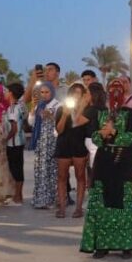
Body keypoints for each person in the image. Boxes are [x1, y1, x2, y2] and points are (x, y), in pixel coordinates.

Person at [80, 79, 132, 259]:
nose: (115, 91)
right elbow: (94, 137)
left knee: (123, 203)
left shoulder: (130, 114)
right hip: (103, 162)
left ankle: (125, 246)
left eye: (118, 88)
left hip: (122, 161)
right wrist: (101, 134)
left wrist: (113, 133)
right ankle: (102, 245)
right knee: (101, 203)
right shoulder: (100, 113)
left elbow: (131, 138)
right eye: (112, 88)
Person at [54, 83, 90, 218]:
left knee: (80, 177)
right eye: (74, 92)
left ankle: (79, 208)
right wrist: (64, 115)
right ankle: (62, 208)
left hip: (79, 146)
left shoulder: (86, 111)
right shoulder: (61, 109)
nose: (76, 95)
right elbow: (59, 130)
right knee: (62, 177)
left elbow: (83, 127)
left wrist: (80, 108)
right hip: (64, 145)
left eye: (79, 93)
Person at [29, 82, 60, 209]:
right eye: (42, 92)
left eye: (47, 92)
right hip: (40, 143)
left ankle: (50, 199)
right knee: (40, 170)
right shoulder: (39, 105)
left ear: (52, 92)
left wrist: (51, 116)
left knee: (51, 170)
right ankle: (40, 199)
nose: (44, 95)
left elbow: (61, 123)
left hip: (52, 141)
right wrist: (33, 110)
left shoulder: (58, 105)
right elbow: (31, 123)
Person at [4, 82, 27, 206]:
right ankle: (19, 196)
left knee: (15, 170)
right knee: (19, 168)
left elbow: (14, 128)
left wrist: (5, 139)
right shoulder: (22, 106)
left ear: (11, 93)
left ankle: (17, 197)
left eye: (7, 91)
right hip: (21, 141)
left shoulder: (12, 108)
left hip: (13, 143)